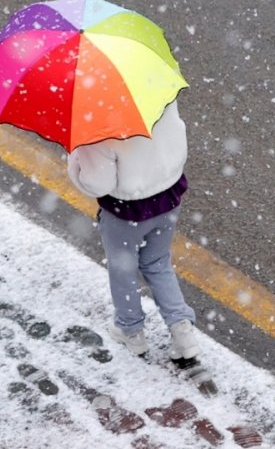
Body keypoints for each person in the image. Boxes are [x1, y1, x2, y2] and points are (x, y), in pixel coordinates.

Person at [67, 100, 200, 360]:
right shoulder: (159, 95)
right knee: (157, 262)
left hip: (125, 211)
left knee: (123, 267)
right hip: (168, 197)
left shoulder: (93, 123)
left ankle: (131, 331)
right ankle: (182, 329)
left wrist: (75, 160)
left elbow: (98, 183)